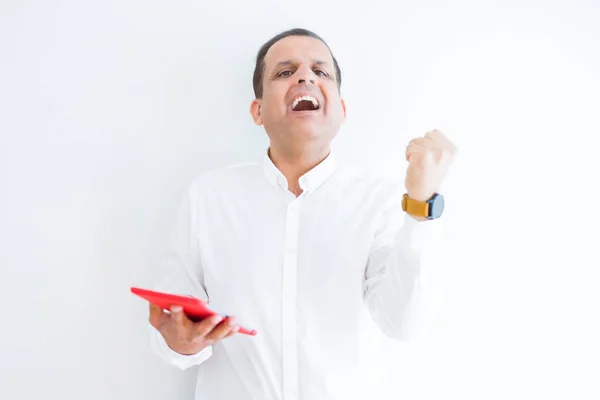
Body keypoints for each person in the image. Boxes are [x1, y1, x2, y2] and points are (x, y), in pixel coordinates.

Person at [147, 28, 457, 400]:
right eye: (284, 72)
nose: (305, 77)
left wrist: (422, 205)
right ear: (257, 110)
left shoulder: (380, 200)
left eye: (320, 71)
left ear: (342, 110)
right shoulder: (208, 198)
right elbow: (171, 324)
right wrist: (179, 341)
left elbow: (403, 323)